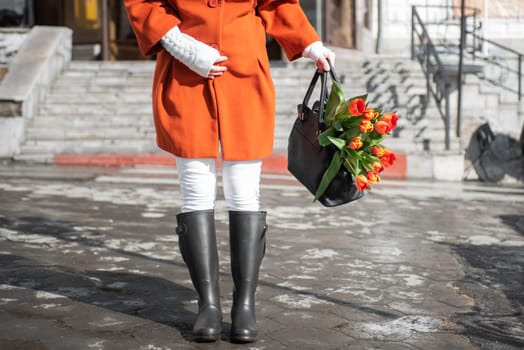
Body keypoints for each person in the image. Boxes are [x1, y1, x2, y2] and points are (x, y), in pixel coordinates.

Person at [124, 0, 334, 343]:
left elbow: (275, 3)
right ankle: (207, 304)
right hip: (184, 70)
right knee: (195, 187)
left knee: (244, 188)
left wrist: (309, 44)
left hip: (244, 74)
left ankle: (244, 305)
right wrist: (178, 42)